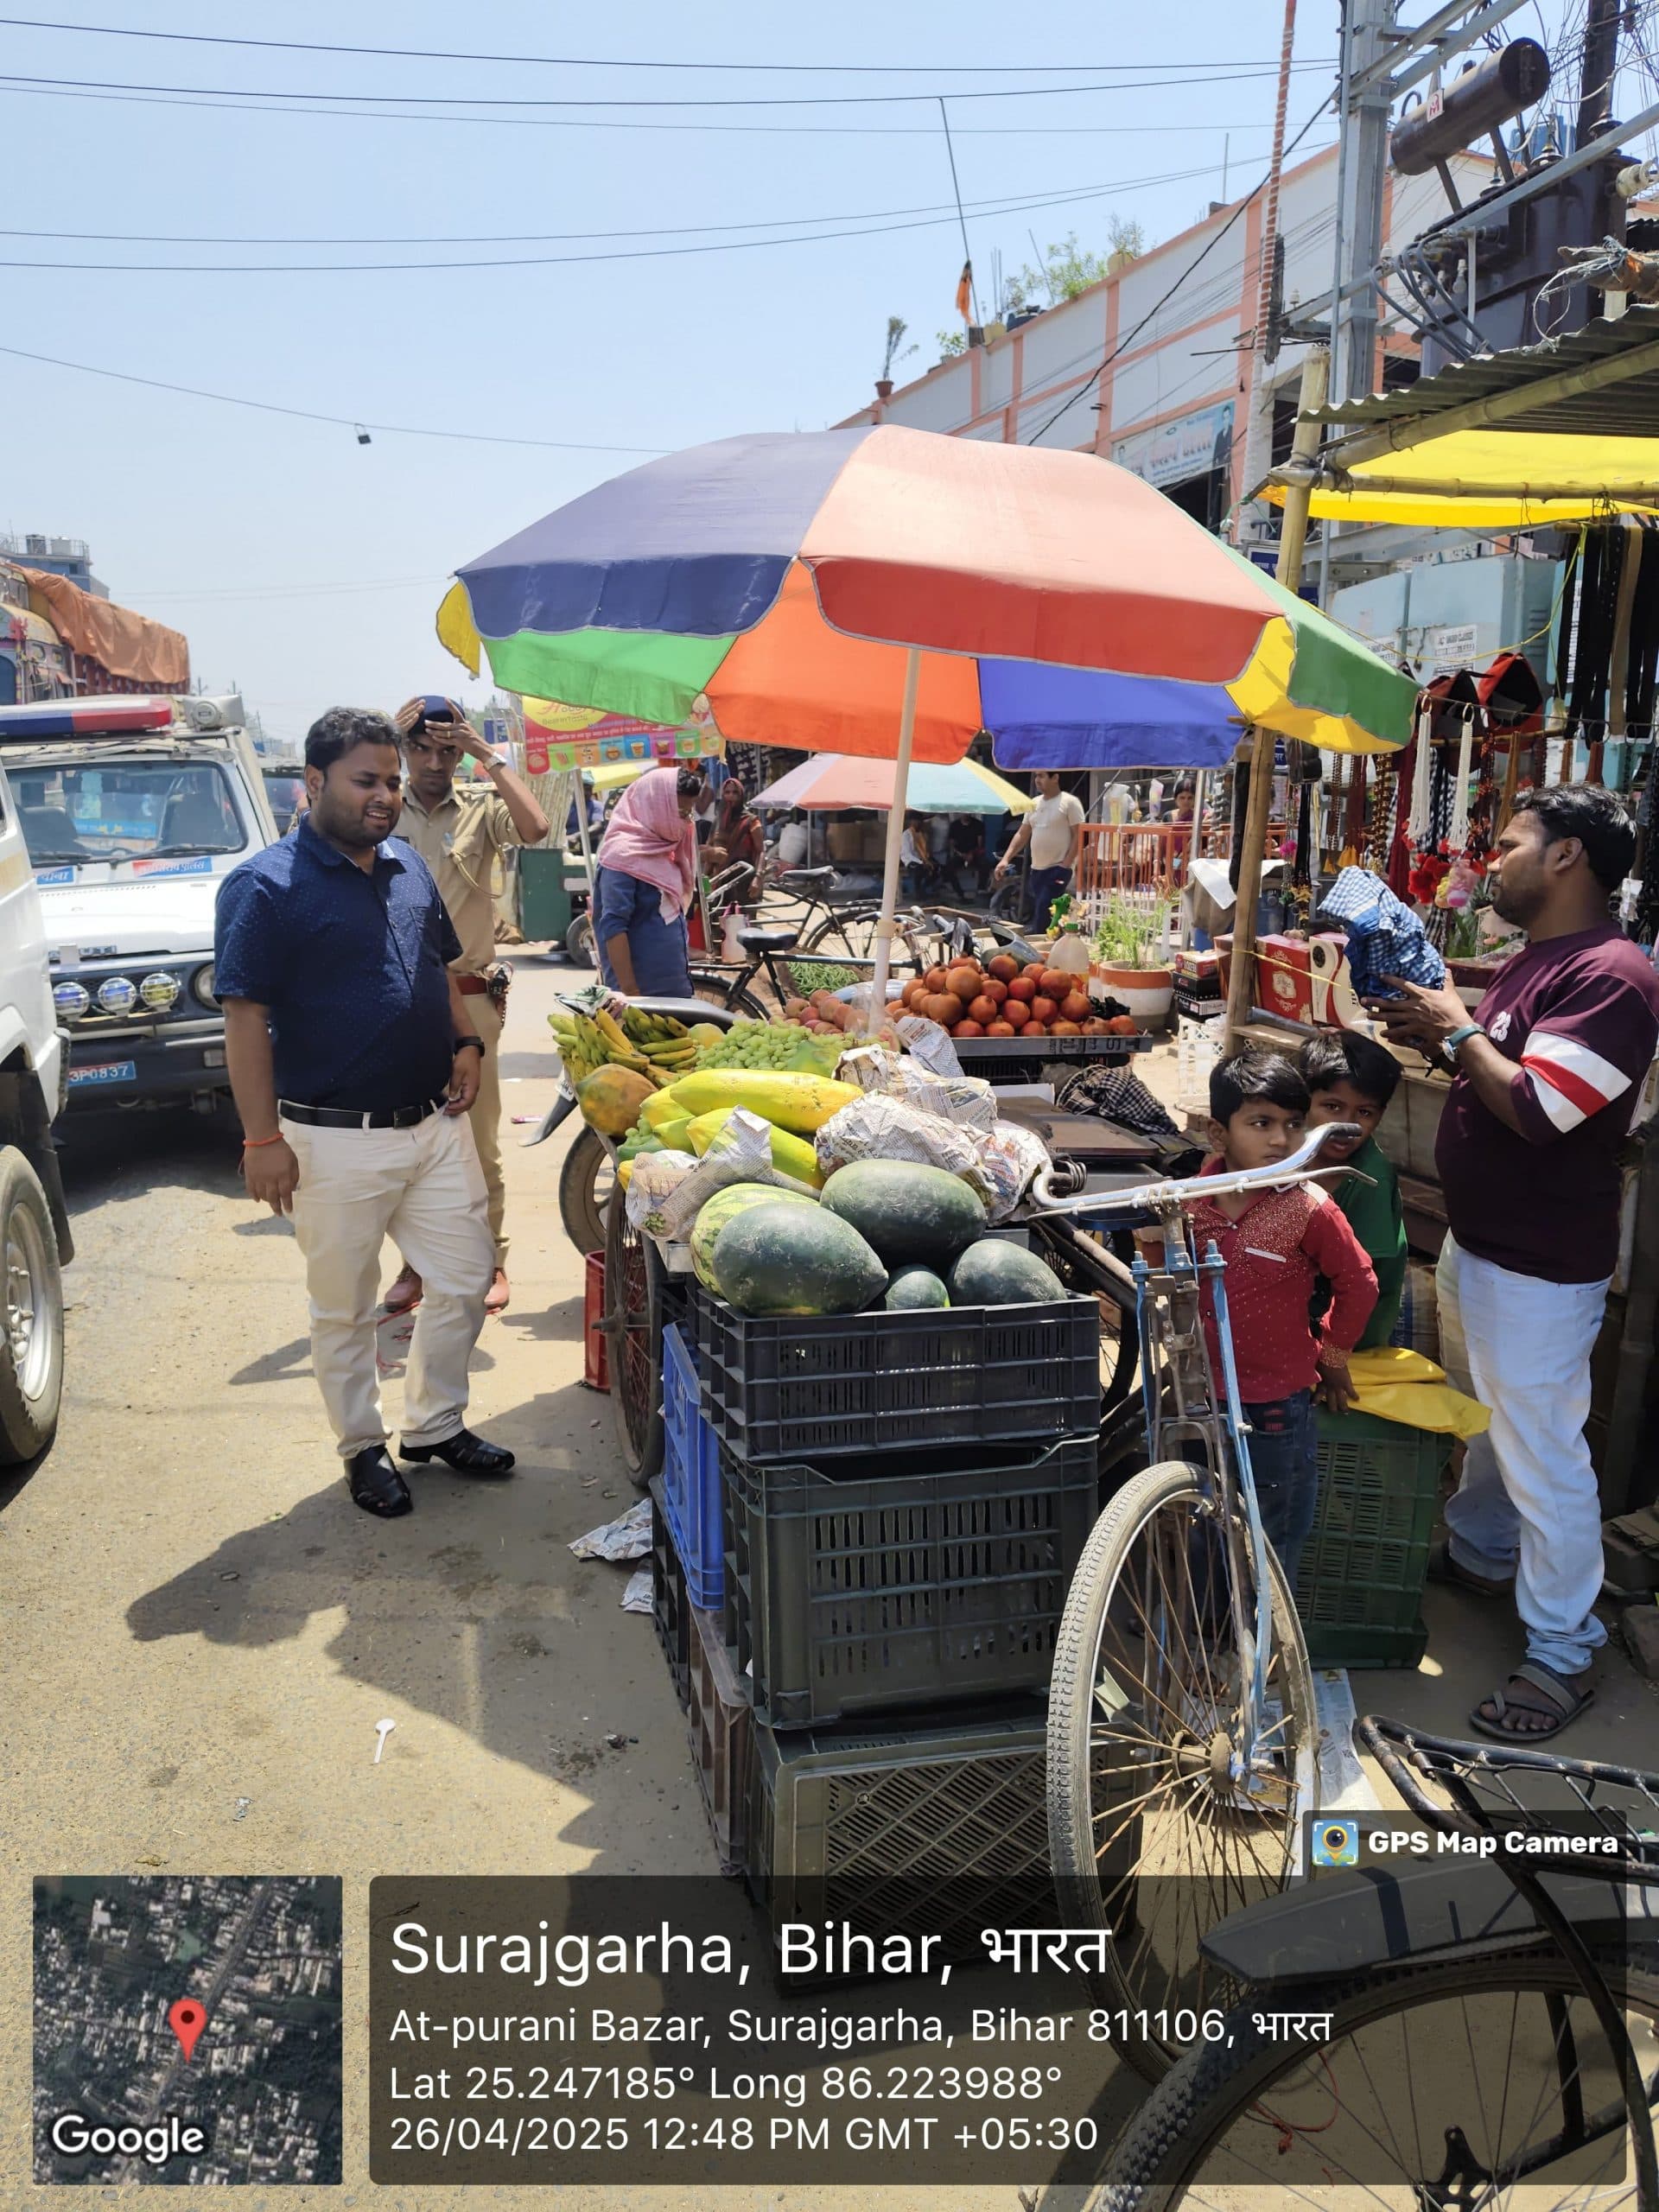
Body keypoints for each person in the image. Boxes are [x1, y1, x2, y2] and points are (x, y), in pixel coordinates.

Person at [1370, 784, 1659, 1742]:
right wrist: (1443, 1036)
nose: (1491, 861)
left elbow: (1542, 1109)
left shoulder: (1613, 975)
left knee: (1542, 1451)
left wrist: (1456, 1030)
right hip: (1485, 1243)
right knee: (1491, 1426)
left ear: (1567, 855)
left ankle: (1565, 1649)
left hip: (1539, 1264)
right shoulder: (1539, 960)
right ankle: (1485, 1557)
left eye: (1509, 843)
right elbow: (1500, 1072)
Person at [215, 707, 512, 1521]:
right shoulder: (265, 886)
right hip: (331, 1139)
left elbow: (436, 968)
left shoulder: (408, 864)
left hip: (434, 1125)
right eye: (365, 781)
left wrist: (466, 1043)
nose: (384, 795)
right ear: (314, 782)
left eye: (390, 781)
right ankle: (361, 1447)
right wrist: (262, 1138)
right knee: (345, 1308)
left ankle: (435, 1424)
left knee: (465, 1279)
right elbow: (243, 1018)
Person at [1182, 1051, 1377, 1586]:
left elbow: (1359, 1282)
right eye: (1261, 1123)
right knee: (1203, 1517)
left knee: (1272, 1529)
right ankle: (1205, 1620)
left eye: (1294, 1124)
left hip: (1275, 1404)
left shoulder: (1309, 1206)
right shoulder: (1188, 1202)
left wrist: (1332, 1355)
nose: (1281, 1140)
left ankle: (1266, 1632)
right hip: (1199, 1395)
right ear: (1219, 1134)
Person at [386, 696, 550, 1320]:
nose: (434, 763)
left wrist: (486, 753)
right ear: (404, 751)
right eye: (421, 749)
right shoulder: (381, 809)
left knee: (478, 1142)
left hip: (468, 996)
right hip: (395, 1001)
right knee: (406, 1144)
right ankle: (415, 1265)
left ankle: (491, 1259)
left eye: (447, 751)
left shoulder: (481, 809)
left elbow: (536, 829)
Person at [1299, 1031, 1408, 1355]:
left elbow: (1362, 1286)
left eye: (1365, 1113)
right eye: (1333, 1107)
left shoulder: (1370, 1179)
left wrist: (1333, 1356)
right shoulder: (1286, 1150)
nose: (1346, 1125)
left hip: (1353, 1336)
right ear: (1304, 1100)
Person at [592, 766, 702, 995]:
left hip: (673, 989)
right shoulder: (621, 856)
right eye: (681, 813)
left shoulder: (664, 850)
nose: (686, 822)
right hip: (642, 995)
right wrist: (631, 991)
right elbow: (613, 926)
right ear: (656, 807)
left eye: (688, 814)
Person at [993, 771, 1084, 932]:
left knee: (1043, 910)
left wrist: (1066, 864)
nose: (1037, 780)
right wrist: (1005, 859)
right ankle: (1061, 936)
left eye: (1041, 776)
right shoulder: (1034, 803)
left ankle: (1040, 937)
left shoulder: (1070, 802)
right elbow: (1022, 834)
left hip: (1058, 868)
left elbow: (1079, 835)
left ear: (1055, 777)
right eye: (1036, 776)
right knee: (1049, 912)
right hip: (1037, 869)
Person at [703, 775, 764, 900]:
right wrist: (705, 880)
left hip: (743, 880)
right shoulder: (717, 821)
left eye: (735, 792)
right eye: (727, 792)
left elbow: (761, 851)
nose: (731, 796)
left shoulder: (751, 821)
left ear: (741, 795)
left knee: (742, 913)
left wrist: (758, 878)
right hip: (719, 882)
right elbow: (709, 849)